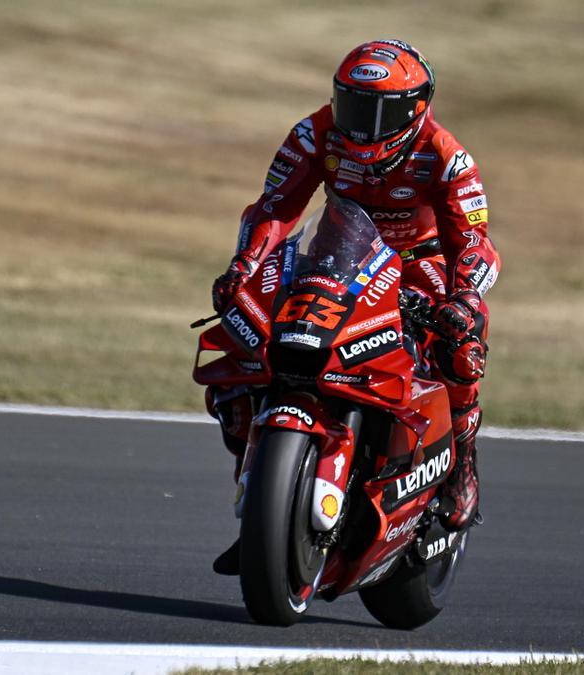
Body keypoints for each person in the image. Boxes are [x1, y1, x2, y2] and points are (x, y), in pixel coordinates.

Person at [208, 40, 500, 575]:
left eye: (378, 111)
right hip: (337, 255)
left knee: (463, 342)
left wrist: (463, 297)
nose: (361, 126)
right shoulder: (314, 132)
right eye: (352, 106)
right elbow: (274, 209)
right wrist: (243, 268)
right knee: (241, 339)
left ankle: (463, 464)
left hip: (419, 264)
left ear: (415, 110)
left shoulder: (445, 153)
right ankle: (259, 505)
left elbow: (475, 243)